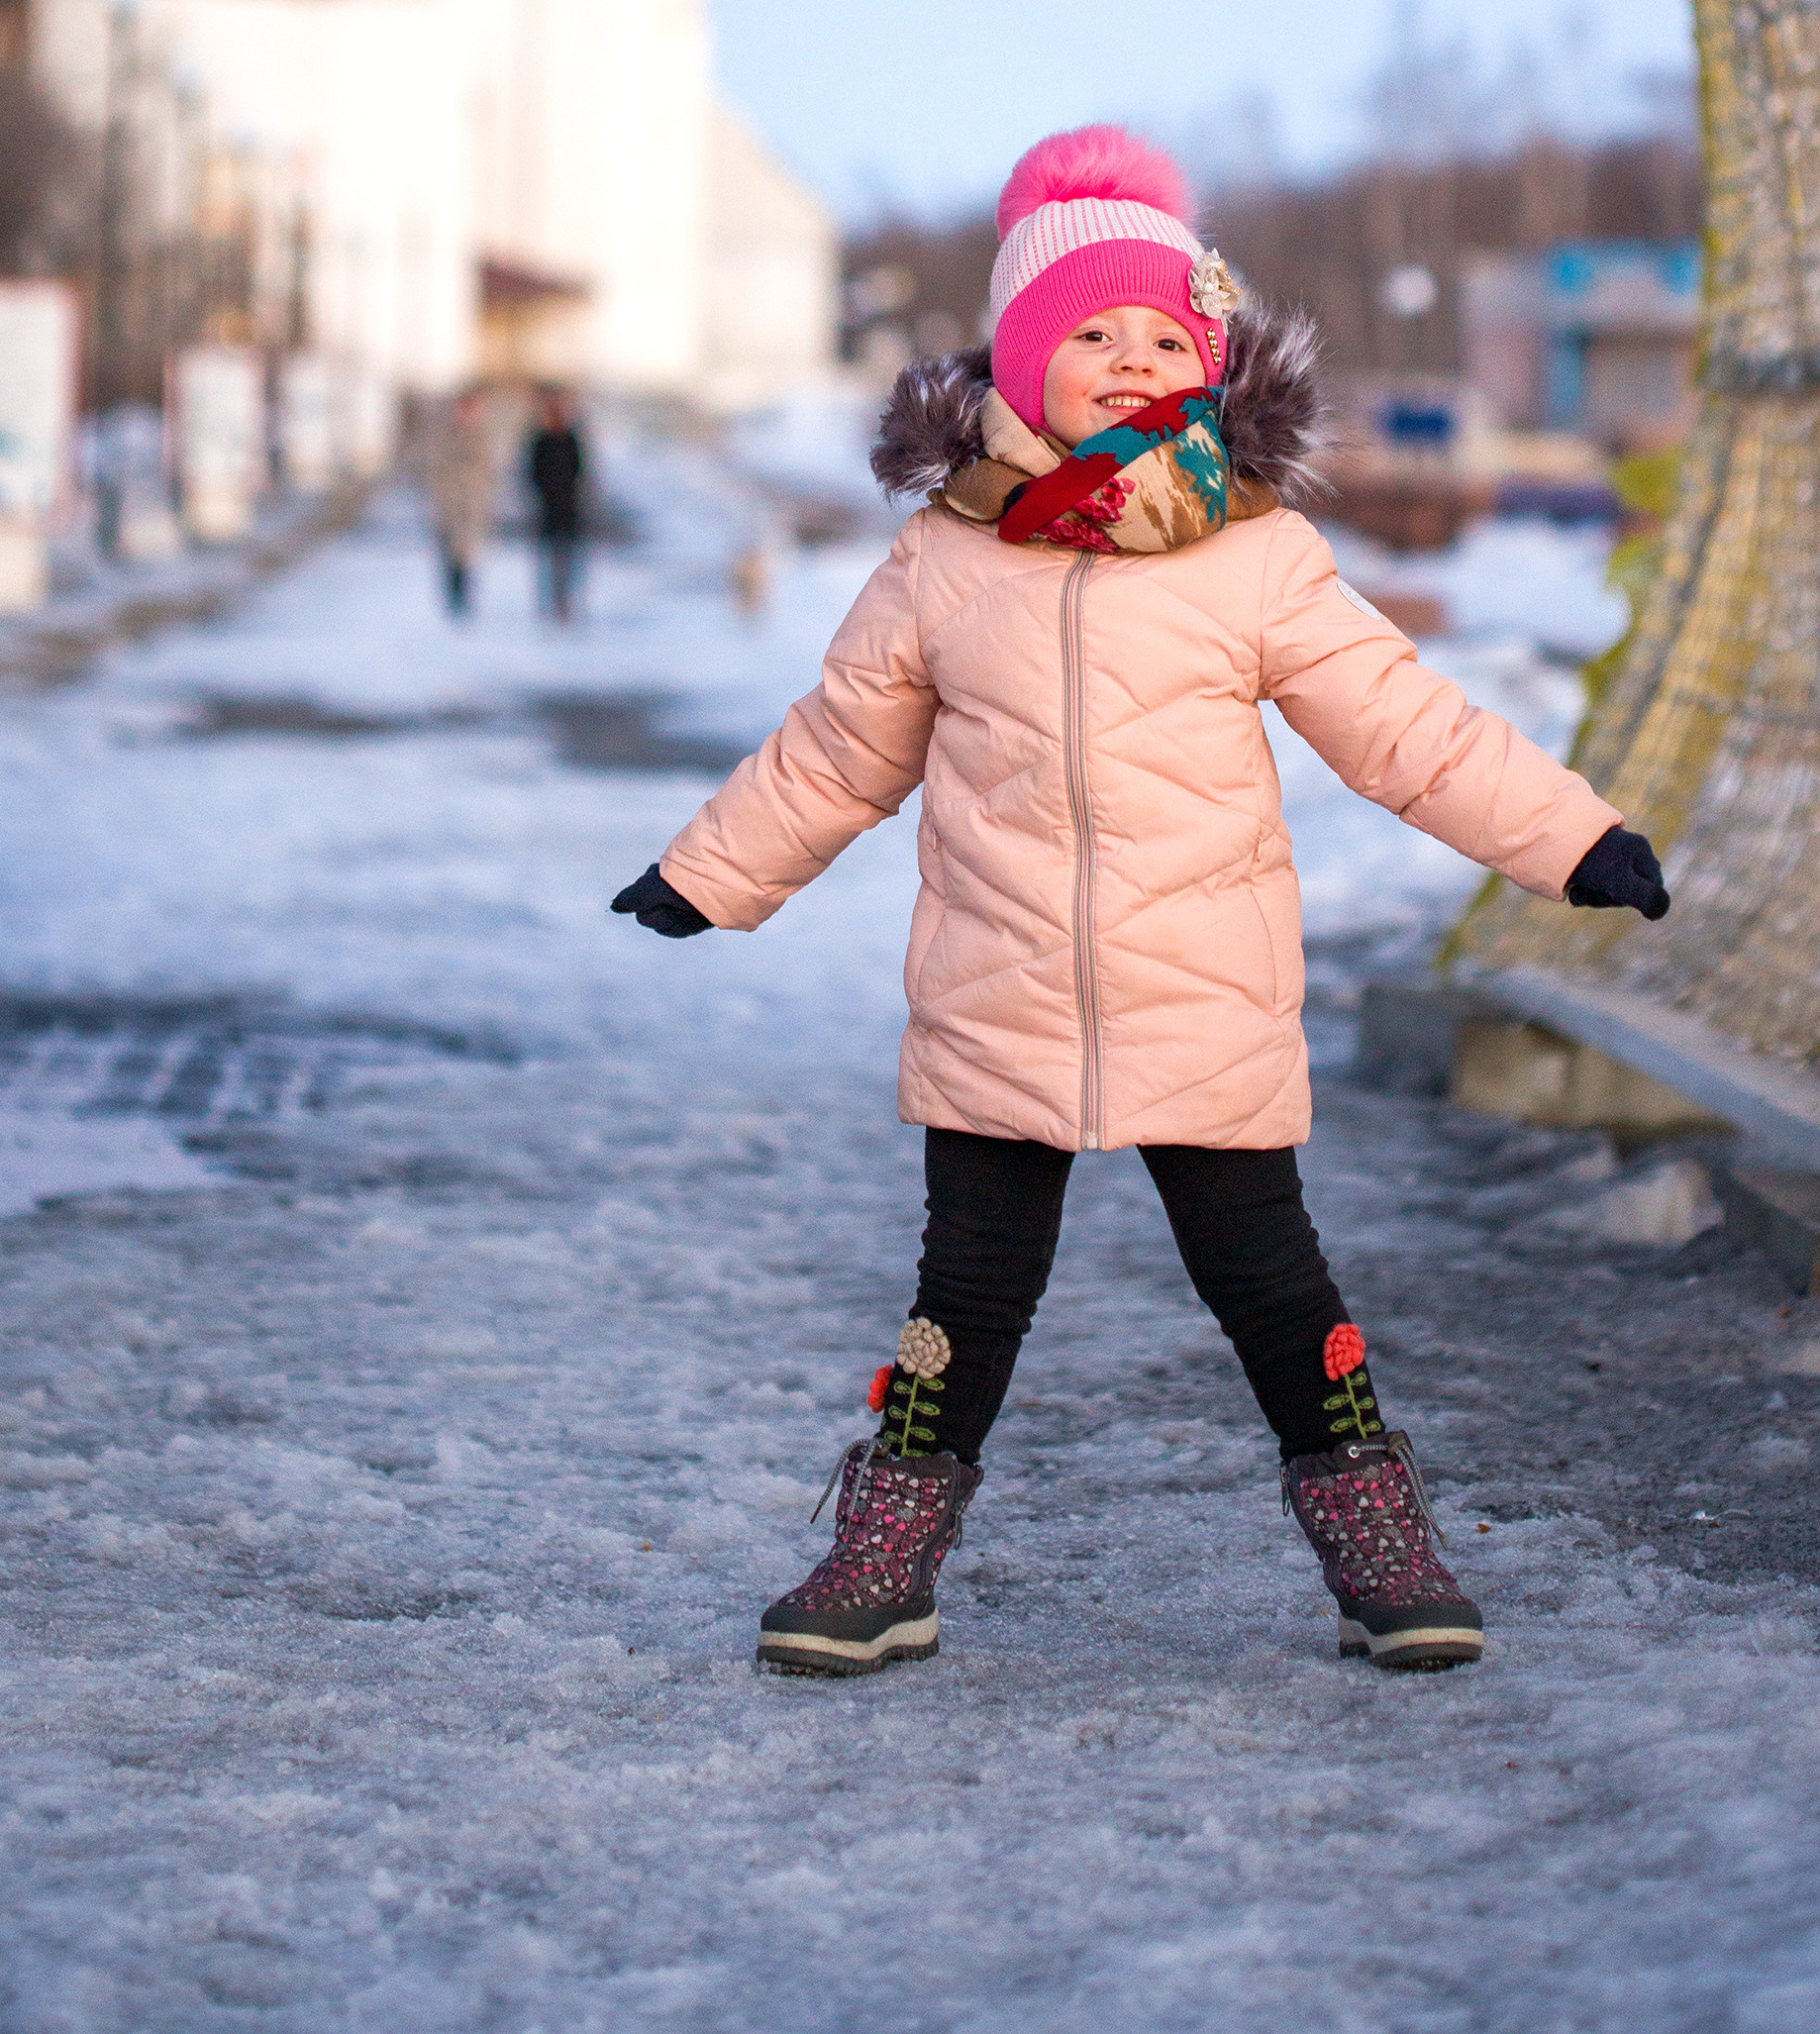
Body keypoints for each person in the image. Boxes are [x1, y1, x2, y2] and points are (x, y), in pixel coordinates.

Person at [611, 125, 1670, 1682]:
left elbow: (1408, 723)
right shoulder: (944, 561)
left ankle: (1377, 1535)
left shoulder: (1257, 556)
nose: (1125, 359)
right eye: (1088, 333)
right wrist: (711, 872)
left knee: (1270, 1279)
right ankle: (888, 1549)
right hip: (998, 992)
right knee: (963, 1290)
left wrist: (1572, 840)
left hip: (1207, 993)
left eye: (1162, 334)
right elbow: (840, 748)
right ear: (1022, 362)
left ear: (1212, 356)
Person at [423, 386, 496, 618]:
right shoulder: (447, 438)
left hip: (472, 506)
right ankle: (454, 599)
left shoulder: (482, 438)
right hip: (449, 506)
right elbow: (436, 472)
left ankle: (464, 598)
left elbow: (488, 474)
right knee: (450, 555)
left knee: (467, 555)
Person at [526, 387, 585, 622]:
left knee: (568, 560)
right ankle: (548, 604)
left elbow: (580, 473)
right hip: (546, 510)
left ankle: (564, 604)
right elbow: (531, 472)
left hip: (569, 509)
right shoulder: (539, 440)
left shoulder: (571, 439)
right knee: (547, 561)